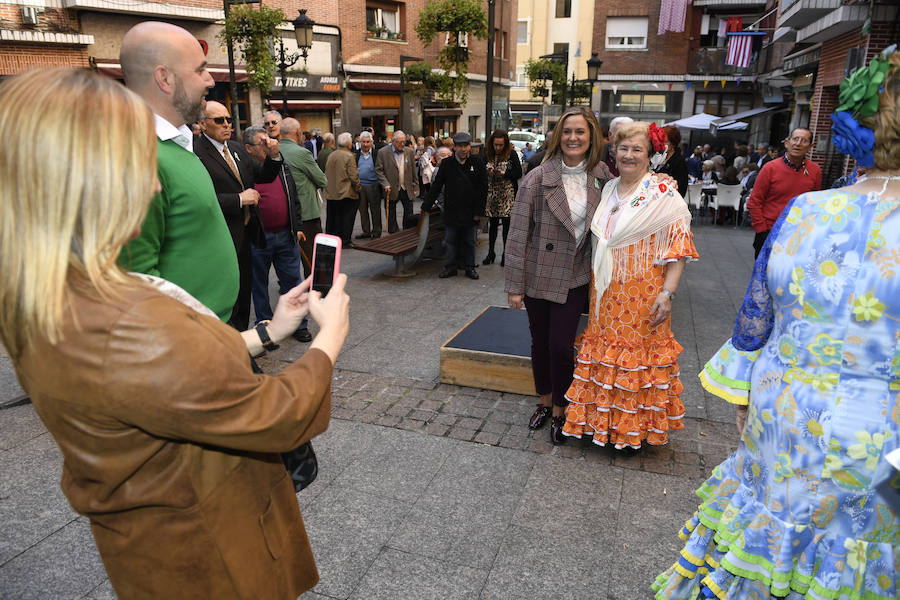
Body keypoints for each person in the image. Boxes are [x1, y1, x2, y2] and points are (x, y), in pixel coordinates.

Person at [0, 66, 350, 600]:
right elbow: (275, 416)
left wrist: (268, 331)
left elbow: (175, 379)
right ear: (85, 178)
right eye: (137, 161)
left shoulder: (61, 289)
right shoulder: (121, 321)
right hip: (206, 555)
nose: (155, 180)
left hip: (162, 544)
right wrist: (329, 337)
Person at [654, 47, 900, 599]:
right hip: (884, 440)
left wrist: (746, 399)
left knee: (769, 534)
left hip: (785, 414)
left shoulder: (810, 211)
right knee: (860, 554)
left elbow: (756, 320)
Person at [562, 121, 698, 450]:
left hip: (645, 295)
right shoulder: (608, 189)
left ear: (651, 154)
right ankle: (603, 426)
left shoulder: (664, 192)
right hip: (606, 295)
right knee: (607, 356)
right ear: (614, 152)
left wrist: (668, 294)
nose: (629, 155)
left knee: (636, 362)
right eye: (623, 148)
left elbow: (677, 249)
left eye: (637, 149)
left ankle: (633, 431)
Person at [504, 106, 615, 445]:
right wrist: (515, 286)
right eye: (567, 132)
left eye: (580, 132)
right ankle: (545, 401)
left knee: (561, 345)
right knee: (540, 343)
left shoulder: (603, 177)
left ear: (591, 136)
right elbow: (518, 234)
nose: (573, 138)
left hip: (576, 275)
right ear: (557, 137)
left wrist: (662, 181)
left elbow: (634, 190)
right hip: (539, 274)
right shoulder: (537, 178)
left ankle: (561, 409)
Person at [117, 22, 237, 323]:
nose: (210, 81)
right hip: (187, 349)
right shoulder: (136, 157)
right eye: (200, 70)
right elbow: (135, 287)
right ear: (165, 78)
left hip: (210, 336)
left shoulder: (178, 143)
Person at [194, 100, 282, 330]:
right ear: (203, 124)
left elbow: (262, 176)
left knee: (245, 291)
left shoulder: (235, 148)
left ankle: (241, 337)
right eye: (219, 120)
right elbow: (200, 198)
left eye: (229, 120)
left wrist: (273, 156)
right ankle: (228, 340)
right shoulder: (195, 152)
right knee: (226, 293)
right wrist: (239, 199)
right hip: (219, 235)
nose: (227, 125)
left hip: (246, 233)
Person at [243, 125, 311, 343]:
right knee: (259, 284)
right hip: (258, 237)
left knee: (293, 281)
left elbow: (293, 196)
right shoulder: (245, 170)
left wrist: (297, 226)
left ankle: (299, 324)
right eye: (262, 143)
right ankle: (265, 325)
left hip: (285, 234)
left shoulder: (280, 164)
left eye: (269, 140)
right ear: (249, 148)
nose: (268, 145)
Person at [421, 131, 487, 280]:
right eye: (460, 146)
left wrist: (479, 211)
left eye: (466, 146)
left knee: (470, 241)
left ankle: (470, 267)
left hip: (471, 211)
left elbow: (483, 189)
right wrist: (426, 206)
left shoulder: (477, 163)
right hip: (451, 210)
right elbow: (437, 186)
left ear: (470, 146)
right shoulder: (447, 163)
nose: (463, 149)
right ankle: (450, 267)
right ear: (454, 147)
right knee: (450, 240)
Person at [746, 127, 822, 257]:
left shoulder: (815, 171)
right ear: (787, 142)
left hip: (799, 235)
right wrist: (762, 230)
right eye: (795, 139)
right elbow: (754, 201)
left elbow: (815, 204)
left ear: (810, 146)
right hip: (769, 231)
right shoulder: (770, 168)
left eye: (803, 140)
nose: (798, 143)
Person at [280, 118, 328, 292]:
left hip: (284, 212)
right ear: (298, 133)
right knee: (313, 255)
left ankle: (290, 288)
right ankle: (316, 289)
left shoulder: (274, 150)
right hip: (306, 212)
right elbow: (322, 180)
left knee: (288, 256)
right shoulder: (301, 152)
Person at [482, 129, 523, 266]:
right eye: (495, 145)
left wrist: (505, 173)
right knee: (492, 225)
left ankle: (506, 254)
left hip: (507, 195)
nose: (498, 148)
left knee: (507, 227)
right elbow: (479, 169)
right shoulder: (487, 154)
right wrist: (486, 171)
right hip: (492, 193)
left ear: (505, 144)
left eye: (500, 145)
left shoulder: (511, 154)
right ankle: (491, 253)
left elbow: (518, 172)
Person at [323, 132, 361, 247]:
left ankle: (333, 238)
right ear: (349, 144)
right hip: (346, 192)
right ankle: (345, 240)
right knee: (347, 217)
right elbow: (354, 176)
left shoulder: (332, 154)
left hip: (331, 192)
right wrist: (358, 189)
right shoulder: (349, 156)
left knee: (334, 217)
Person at [375, 130, 418, 233]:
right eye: (400, 142)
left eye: (404, 141)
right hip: (391, 187)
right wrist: (385, 184)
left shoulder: (409, 152)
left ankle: (407, 232)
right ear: (393, 141)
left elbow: (413, 170)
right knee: (391, 212)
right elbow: (378, 170)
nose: (402, 144)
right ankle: (393, 232)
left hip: (406, 187)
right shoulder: (383, 152)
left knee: (409, 211)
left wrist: (416, 186)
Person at [355, 130, 382, 239]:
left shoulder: (377, 153)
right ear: (360, 143)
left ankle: (376, 231)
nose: (365, 144)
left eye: (367, 142)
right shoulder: (356, 154)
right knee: (363, 210)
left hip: (374, 185)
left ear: (371, 142)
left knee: (375, 210)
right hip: (360, 186)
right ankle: (366, 231)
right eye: (363, 142)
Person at [654, 125, 689, 195]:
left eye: (665, 142)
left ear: (673, 143)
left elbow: (681, 189)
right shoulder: (659, 157)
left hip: (669, 199)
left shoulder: (679, 162)